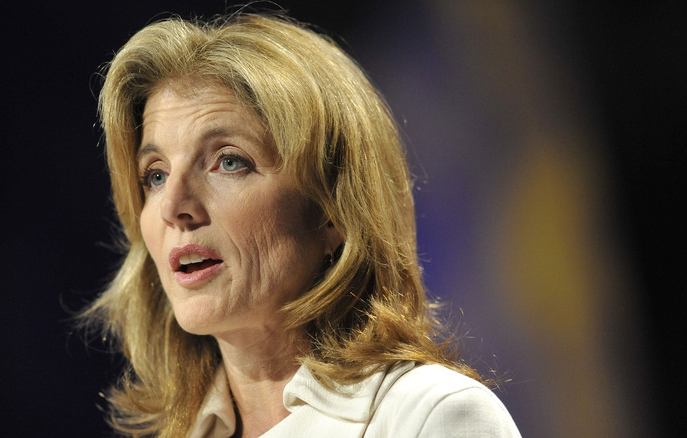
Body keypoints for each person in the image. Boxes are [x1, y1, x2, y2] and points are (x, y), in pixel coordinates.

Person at [82, 12, 521, 438]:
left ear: (334, 212)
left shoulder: (429, 417)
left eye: (228, 161)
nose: (173, 205)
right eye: (155, 175)